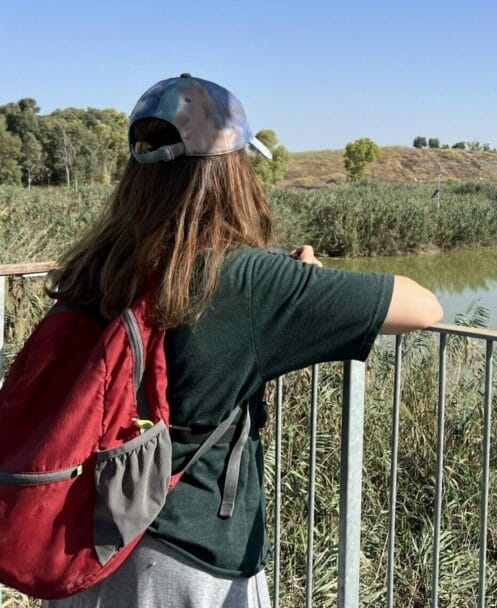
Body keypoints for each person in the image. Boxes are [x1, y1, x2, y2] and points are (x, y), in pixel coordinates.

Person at [42, 74, 443, 607]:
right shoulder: (245, 281)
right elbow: (424, 305)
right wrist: (305, 284)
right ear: (231, 172)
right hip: (189, 566)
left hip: (84, 547)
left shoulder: (97, 266)